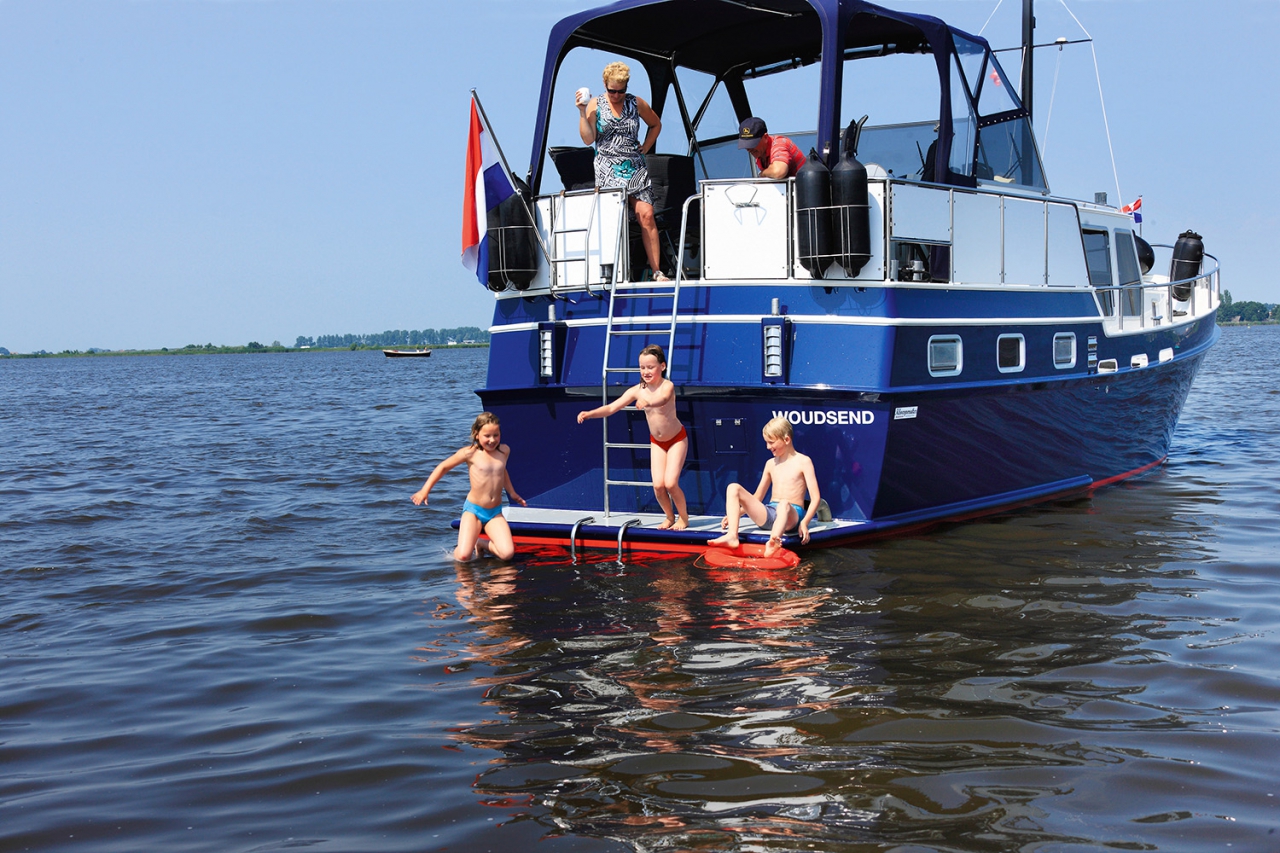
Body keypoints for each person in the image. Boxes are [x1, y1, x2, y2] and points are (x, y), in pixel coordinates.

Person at [577, 344, 688, 530]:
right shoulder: (638, 390)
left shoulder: (667, 386)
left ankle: (683, 518)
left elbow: (662, 400)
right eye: (642, 367)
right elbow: (612, 407)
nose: (646, 371)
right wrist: (590, 413)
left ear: (662, 366)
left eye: (650, 367)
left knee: (670, 482)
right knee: (658, 486)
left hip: (677, 439)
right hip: (658, 442)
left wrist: (648, 402)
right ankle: (669, 516)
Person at [577, 61, 668, 281]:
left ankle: (657, 271)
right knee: (613, 219)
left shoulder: (636, 103)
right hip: (608, 167)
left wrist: (646, 146)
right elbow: (588, 139)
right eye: (612, 90)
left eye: (621, 91)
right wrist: (582, 111)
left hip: (634, 167)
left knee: (646, 215)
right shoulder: (596, 104)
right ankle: (613, 271)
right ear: (604, 85)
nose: (616, 95)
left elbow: (656, 124)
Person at [411, 412, 526, 561]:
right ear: (477, 434)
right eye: (487, 436)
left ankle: (481, 543)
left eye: (496, 435)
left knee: (507, 554)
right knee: (464, 556)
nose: (492, 440)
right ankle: (468, 546)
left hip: (495, 512)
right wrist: (425, 490)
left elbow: (502, 472)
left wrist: (512, 493)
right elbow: (443, 467)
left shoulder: (504, 451)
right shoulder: (470, 453)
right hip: (474, 511)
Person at [708, 416, 820, 557]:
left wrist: (804, 523)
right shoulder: (770, 464)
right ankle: (732, 536)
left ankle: (773, 542)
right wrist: (737, 513)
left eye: (771, 442)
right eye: (766, 442)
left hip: (792, 516)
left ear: (786, 439)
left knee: (783, 504)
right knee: (733, 487)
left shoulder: (803, 462)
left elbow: (815, 498)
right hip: (771, 513)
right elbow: (757, 497)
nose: (768, 447)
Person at [737, 116, 807, 179]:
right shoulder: (760, 153)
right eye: (746, 145)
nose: (749, 149)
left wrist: (762, 174)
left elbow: (779, 172)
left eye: (752, 144)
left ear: (765, 137)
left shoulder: (779, 144)